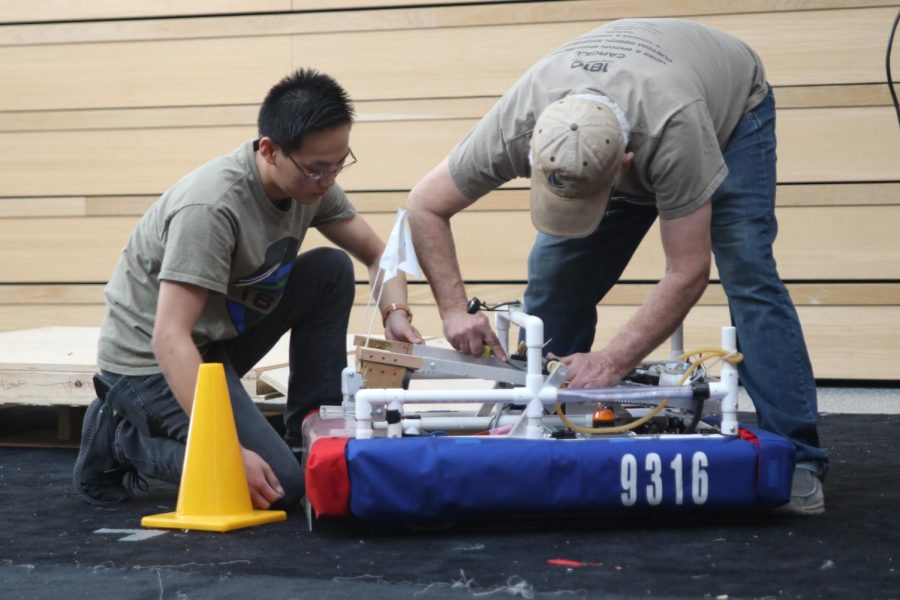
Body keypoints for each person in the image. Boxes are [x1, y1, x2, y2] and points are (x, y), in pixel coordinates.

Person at [406, 19, 827, 514]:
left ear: (624, 165)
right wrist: (453, 310)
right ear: (532, 153)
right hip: (631, 105)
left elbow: (687, 271)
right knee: (554, 274)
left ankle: (798, 456)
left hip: (729, 111)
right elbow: (424, 205)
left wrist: (612, 361)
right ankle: (538, 421)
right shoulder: (520, 120)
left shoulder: (676, 133)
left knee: (748, 274)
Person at [74, 68, 423, 510]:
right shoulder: (211, 208)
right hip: (148, 362)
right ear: (269, 150)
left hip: (212, 343)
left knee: (330, 269)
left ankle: (308, 434)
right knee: (279, 485)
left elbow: (380, 255)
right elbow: (168, 337)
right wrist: (226, 453)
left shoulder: (311, 185)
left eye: (339, 164)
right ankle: (120, 439)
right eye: (318, 169)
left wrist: (396, 314)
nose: (330, 180)